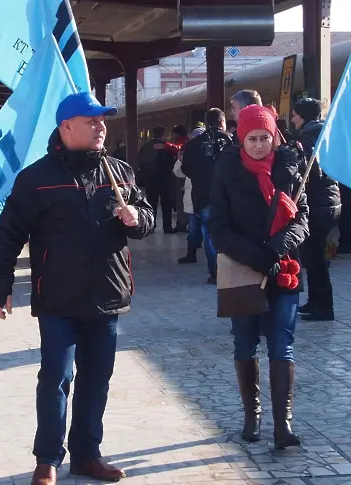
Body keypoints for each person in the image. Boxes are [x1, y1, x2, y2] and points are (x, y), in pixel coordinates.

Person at [0, 92, 154, 485]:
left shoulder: (120, 172)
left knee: (97, 380)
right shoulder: (38, 178)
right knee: (56, 378)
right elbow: (8, 234)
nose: (100, 127)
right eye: (91, 120)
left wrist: (136, 218)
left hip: (108, 295)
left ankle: (86, 454)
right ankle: (47, 458)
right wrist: (1, 286)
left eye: (102, 120)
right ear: (65, 127)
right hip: (58, 299)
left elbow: (145, 219)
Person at [209, 105, 309, 450]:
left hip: (283, 270)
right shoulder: (226, 173)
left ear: (274, 136)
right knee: (245, 342)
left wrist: (276, 249)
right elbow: (218, 229)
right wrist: (256, 255)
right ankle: (252, 415)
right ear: (240, 139)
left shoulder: (291, 169)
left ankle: (284, 424)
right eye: (251, 138)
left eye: (265, 137)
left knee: (283, 343)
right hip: (243, 270)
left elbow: (302, 219)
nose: (258, 144)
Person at [291, 98, 341, 321]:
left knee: (315, 258)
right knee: (313, 257)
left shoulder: (309, 138)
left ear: (302, 116)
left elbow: (312, 173)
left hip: (318, 204)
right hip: (327, 201)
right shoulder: (323, 133)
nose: (292, 119)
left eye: (294, 115)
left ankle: (323, 307)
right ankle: (315, 301)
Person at [177, 108, 233, 284]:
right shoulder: (230, 141)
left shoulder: (193, 144)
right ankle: (231, 270)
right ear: (222, 122)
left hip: (202, 195)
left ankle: (216, 273)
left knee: (208, 234)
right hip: (227, 196)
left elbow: (186, 169)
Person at [138, 126, 177, 233]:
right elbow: (173, 162)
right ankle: (167, 227)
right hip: (166, 179)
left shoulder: (145, 147)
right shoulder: (166, 148)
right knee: (167, 204)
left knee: (151, 204)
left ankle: (151, 226)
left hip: (151, 180)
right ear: (163, 135)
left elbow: (141, 163)